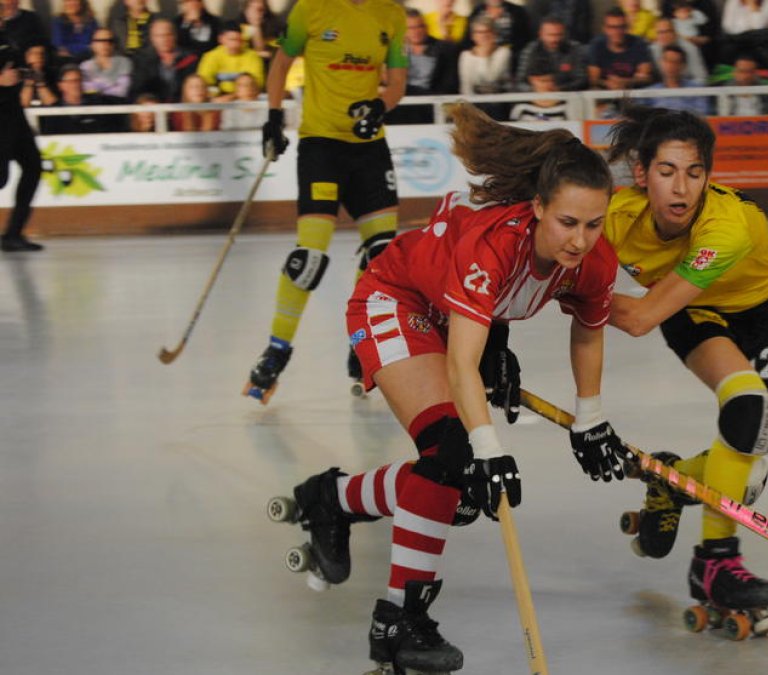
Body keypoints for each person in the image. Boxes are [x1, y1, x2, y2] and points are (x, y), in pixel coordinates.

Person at [274, 101, 625, 673]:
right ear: (537, 208)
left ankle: (331, 501)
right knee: (454, 457)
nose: (581, 241)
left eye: (594, 224)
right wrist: (490, 451)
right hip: (396, 300)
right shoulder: (495, 246)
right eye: (567, 223)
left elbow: (588, 334)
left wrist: (591, 417)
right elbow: (463, 364)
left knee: (452, 477)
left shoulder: (592, 261)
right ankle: (398, 621)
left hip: (456, 314)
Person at [603, 103, 768, 624]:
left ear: (709, 175)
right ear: (641, 174)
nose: (681, 189)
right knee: (749, 411)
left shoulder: (728, 227)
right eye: (666, 172)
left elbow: (636, 318)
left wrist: (568, 295)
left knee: (752, 450)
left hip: (760, 309)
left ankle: (671, 479)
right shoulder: (616, 217)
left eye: (694, 173)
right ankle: (717, 564)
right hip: (689, 307)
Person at [244, 0, 408, 404]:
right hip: (321, 145)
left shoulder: (391, 14)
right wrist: (274, 116)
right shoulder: (311, 9)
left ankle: (359, 343)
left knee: (383, 256)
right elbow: (281, 63)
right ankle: (276, 351)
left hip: (369, 149)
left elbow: (398, 84)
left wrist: (379, 105)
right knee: (309, 260)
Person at [1, 36, 44, 252]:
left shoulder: (7, 41)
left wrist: (25, 74)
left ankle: (13, 233)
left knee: (33, 166)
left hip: (14, 117)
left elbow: (12, 70)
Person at [129, 18, 199, 102]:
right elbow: (137, 90)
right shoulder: (142, 60)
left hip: (183, 108)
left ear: (175, 36)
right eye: (159, 36)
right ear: (152, 38)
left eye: (168, 35)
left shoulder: (191, 58)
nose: (164, 39)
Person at [514, 15, 588, 93]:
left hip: (567, 96)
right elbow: (520, 81)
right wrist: (536, 90)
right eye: (550, 35)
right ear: (540, 34)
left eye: (559, 35)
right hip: (536, 97)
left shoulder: (575, 49)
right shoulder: (530, 50)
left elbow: (581, 80)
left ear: (565, 34)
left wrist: (560, 90)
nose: (555, 39)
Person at [197, 22, 263, 102]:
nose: (236, 44)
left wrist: (232, 97)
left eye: (240, 40)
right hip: (217, 99)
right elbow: (203, 83)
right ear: (221, 39)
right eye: (232, 40)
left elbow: (257, 84)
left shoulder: (252, 56)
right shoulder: (210, 56)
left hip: (245, 99)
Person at [644, 44, 710, 114]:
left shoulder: (697, 90)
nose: (670, 66)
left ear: (683, 65)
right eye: (667, 61)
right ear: (661, 63)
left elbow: (702, 114)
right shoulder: (650, 92)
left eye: (675, 62)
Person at [81, 28, 133, 99]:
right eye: (100, 41)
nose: (106, 44)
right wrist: (110, 85)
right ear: (92, 44)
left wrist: (98, 88)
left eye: (110, 41)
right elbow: (85, 89)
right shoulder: (85, 66)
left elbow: (122, 91)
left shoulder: (123, 62)